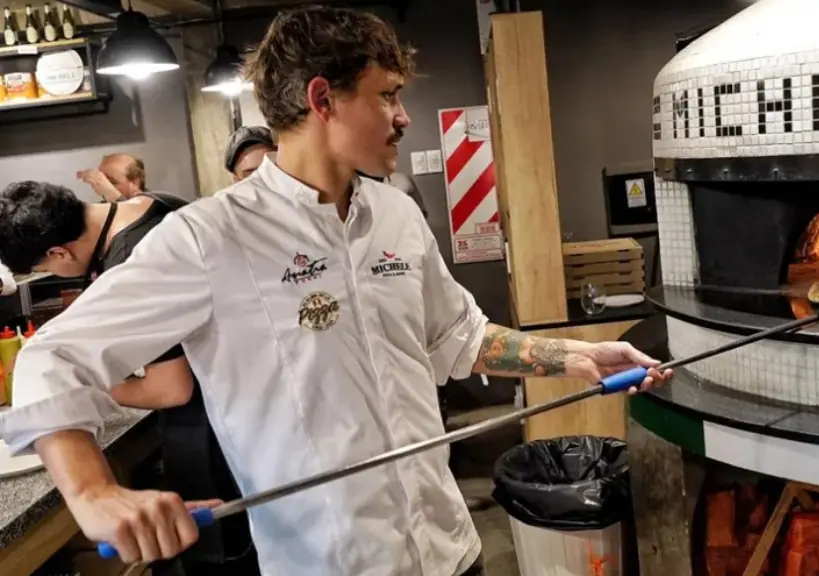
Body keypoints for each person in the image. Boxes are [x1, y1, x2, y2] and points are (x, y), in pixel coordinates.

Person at [0, 6, 672, 575]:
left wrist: (576, 358)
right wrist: (94, 493)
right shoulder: (210, 238)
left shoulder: (396, 215)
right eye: (386, 95)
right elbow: (51, 357)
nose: (402, 116)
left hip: (448, 547)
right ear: (323, 100)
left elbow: (456, 336)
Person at [0, 183, 260, 576]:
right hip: (249, 406)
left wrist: (92, 383)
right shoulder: (156, 204)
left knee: (224, 555)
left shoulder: (130, 255)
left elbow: (171, 388)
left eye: (46, 269)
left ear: (59, 253)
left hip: (213, 431)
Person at [77, 153, 148, 203]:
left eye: (111, 181)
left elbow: (132, 218)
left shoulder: (156, 205)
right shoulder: (102, 209)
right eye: (101, 179)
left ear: (135, 183)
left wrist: (112, 195)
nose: (102, 186)